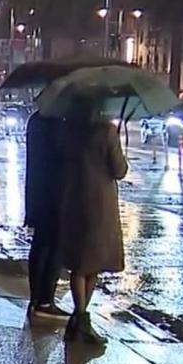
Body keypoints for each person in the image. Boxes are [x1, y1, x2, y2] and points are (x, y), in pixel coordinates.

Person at [58, 97, 129, 344]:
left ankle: (79, 318)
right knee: (93, 263)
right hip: (100, 203)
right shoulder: (107, 131)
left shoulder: (67, 131)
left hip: (73, 198)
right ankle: (81, 319)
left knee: (79, 262)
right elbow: (119, 170)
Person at [24, 108, 68, 321]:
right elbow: (62, 155)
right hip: (54, 193)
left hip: (38, 190)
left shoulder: (36, 120)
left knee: (40, 245)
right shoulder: (55, 123)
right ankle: (45, 300)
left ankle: (37, 298)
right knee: (53, 246)